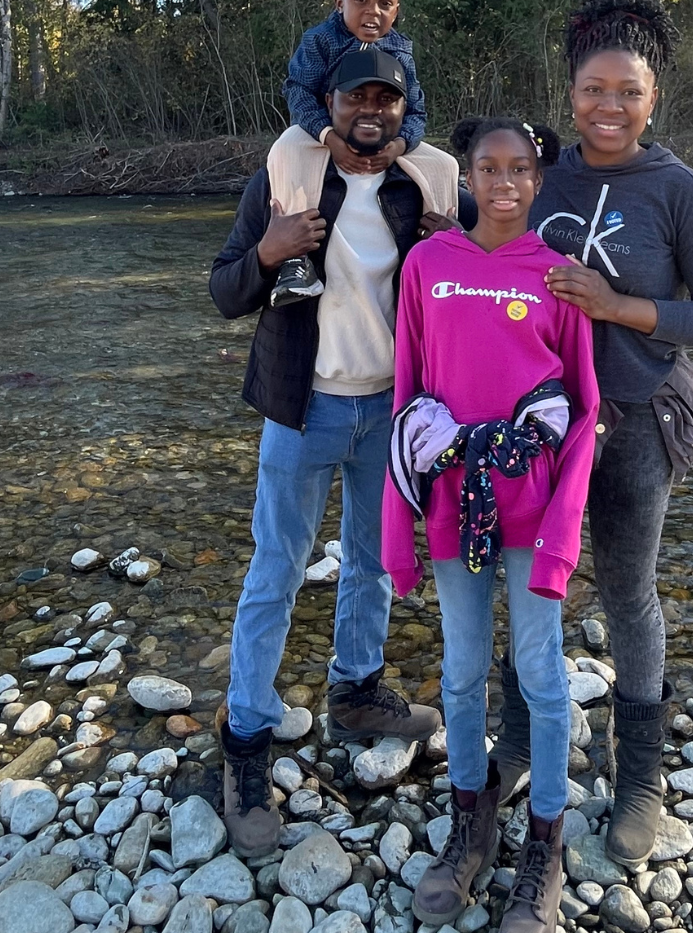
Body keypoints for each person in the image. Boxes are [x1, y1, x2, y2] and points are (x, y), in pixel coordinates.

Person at [208, 47, 465, 857]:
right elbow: (223, 291)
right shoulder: (284, 178)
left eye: (387, 99)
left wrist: (452, 246)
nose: (373, 110)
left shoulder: (416, 185)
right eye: (359, 95)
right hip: (301, 408)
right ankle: (246, 737)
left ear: (401, 108)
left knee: (372, 560)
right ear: (331, 100)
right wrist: (270, 251)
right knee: (276, 568)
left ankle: (355, 691)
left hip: (389, 410)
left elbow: (468, 300)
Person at [522, 0, 693, 869]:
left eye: (628, 91)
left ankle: (640, 781)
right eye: (592, 89)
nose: (608, 106)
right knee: (530, 586)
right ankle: (512, 747)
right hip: (538, 425)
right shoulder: (541, 176)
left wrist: (621, 308)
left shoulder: (679, 189)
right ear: (569, 92)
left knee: (628, 593)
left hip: (638, 423)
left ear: (654, 98)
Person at [382, 117, 600, 933]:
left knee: (542, 674)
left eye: (519, 170)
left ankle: (546, 837)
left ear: (539, 181)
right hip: (449, 501)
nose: (504, 182)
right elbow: (406, 396)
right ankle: (471, 820)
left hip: (532, 507)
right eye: (488, 168)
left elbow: (582, 414)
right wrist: (394, 524)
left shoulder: (558, 277)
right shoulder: (427, 266)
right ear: (466, 175)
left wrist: (563, 535)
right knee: (462, 670)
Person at [272, 0, 428, 307]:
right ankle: (296, 261)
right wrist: (329, 138)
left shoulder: (400, 50)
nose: (372, 11)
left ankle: (436, 248)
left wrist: (399, 146)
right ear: (339, 1)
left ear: (397, 10)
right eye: (360, 0)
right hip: (322, 133)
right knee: (286, 148)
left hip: (384, 139)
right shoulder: (320, 41)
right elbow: (298, 91)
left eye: (384, 3)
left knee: (443, 164)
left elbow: (417, 111)